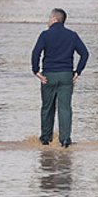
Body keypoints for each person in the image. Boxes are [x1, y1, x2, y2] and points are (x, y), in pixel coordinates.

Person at [31, 8, 89, 148]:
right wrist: (77, 72)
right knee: (65, 108)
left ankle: (45, 139)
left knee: (47, 108)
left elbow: (35, 53)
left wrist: (36, 71)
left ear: (55, 19)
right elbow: (85, 54)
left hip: (48, 76)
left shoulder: (45, 35)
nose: (48, 20)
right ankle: (65, 140)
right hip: (66, 76)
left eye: (49, 18)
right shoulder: (72, 35)